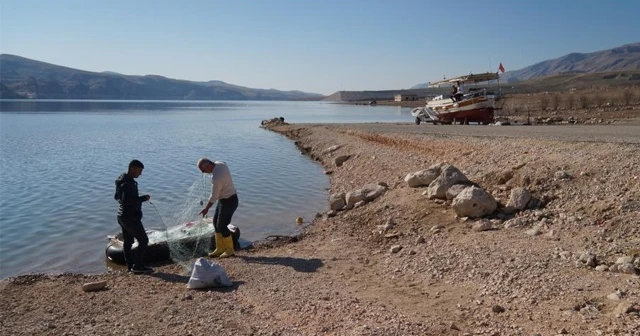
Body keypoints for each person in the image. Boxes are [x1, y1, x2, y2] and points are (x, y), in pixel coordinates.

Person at [114, 160, 153, 274]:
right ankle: (138, 265)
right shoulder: (128, 183)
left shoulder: (121, 180)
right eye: (139, 171)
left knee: (127, 242)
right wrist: (143, 198)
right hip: (129, 217)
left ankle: (130, 266)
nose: (140, 174)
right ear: (132, 168)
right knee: (144, 240)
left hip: (121, 216)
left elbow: (117, 197)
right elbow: (127, 201)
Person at [197, 158, 239, 258]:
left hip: (230, 201)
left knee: (222, 226)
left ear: (208, 166)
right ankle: (220, 248)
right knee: (216, 222)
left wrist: (206, 208)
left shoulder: (216, 178)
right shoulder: (220, 164)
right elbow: (224, 162)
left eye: (203, 170)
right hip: (224, 200)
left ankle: (230, 250)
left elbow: (214, 197)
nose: (203, 172)